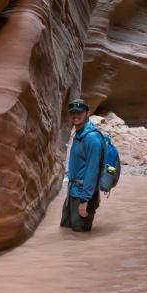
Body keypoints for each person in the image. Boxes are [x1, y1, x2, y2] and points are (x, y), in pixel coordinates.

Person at [60, 98, 103, 233]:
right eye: (73, 112)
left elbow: (92, 171)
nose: (75, 115)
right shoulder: (79, 134)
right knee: (66, 232)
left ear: (87, 113)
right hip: (73, 192)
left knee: (80, 235)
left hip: (83, 196)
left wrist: (84, 201)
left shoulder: (92, 138)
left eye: (79, 112)